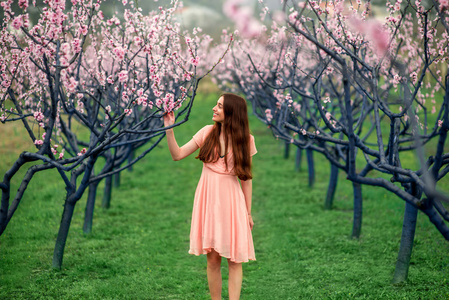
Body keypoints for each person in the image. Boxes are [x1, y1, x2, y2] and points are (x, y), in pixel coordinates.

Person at [163, 93, 257, 300]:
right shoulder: (207, 133)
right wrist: (169, 128)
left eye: (220, 106)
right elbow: (177, 155)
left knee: (234, 259)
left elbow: (247, 179)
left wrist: (248, 213)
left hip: (232, 202)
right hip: (209, 200)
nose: (214, 108)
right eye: (216, 104)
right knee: (213, 259)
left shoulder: (246, 140)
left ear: (231, 113)